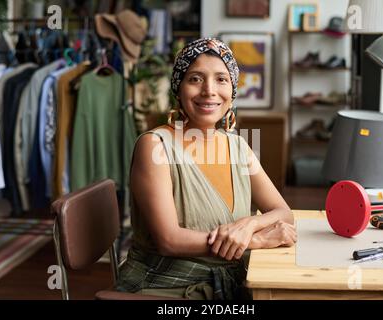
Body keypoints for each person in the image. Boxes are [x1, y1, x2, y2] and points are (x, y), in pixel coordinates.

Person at [116, 38, 297, 300]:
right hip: (163, 289)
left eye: (221, 79)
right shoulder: (154, 146)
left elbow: (283, 213)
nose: (209, 90)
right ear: (178, 89)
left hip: (233, 284)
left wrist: (248, 224)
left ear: (232, 92)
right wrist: (254, 240)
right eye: (196, 79)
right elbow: (169, 240)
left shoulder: (238, 147)